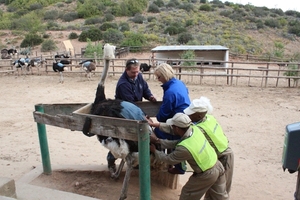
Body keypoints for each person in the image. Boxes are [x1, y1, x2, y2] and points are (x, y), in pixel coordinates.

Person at [149, 113, 228, 200]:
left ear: (178, 128)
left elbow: (169, 159)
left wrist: (155, 151)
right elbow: (177, 142)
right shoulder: (194, 129)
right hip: (218, 165)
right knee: (219, 197)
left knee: (187, 195)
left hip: (206, 174)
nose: (172, 128)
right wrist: (158, 141)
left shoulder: (184, 148)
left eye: (173, 126)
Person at [107, 58, 157, 172]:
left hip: (135, 112)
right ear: (126, 70)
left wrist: (149, 96)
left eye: (137, 72)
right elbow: (131, 105)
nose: (136, 74)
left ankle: (137, 161)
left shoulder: (138, 76)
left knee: (136, 138)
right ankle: (111, 160)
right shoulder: (123, 84)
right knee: (122, 139)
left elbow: (144, 88)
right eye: (133, 72)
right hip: (124, 114)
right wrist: (144, 116)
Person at [183, 96, 234, 196]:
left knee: (218, 192)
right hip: (226, 153)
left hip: (223, 158)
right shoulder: (210, 118)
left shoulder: (199, 129)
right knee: (218, 191)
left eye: (191, 114)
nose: (188, 116)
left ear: (199, 116)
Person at [153, 63, 190, 174]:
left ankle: (161, 160)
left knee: (156, 134)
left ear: (165, 75)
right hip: (186, 118)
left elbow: (163, 116)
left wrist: (158, 118)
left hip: (177, 121)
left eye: (159, 77)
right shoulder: (179, 83)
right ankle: (177, 164)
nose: (158, 80)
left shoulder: (170, 92)